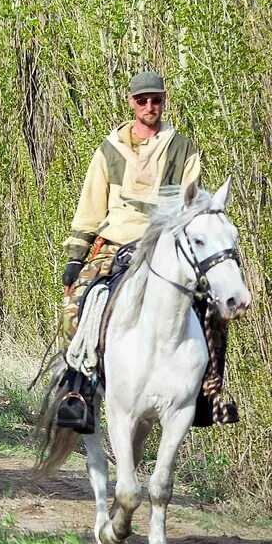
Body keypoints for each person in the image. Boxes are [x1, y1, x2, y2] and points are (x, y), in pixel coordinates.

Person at [54, 71, 201, 432]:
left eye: (157, 100)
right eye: (142, 100)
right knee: (76, 307)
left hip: (163, 245)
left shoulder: (183, 148)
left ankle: (208, 394)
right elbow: (90, 204)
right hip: (115, 242)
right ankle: (78, 392)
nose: (150, 107)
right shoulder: (108, 150)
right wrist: (77, 255)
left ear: (164, 101)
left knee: (211, 310)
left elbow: (192, 203)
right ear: (130, 102)